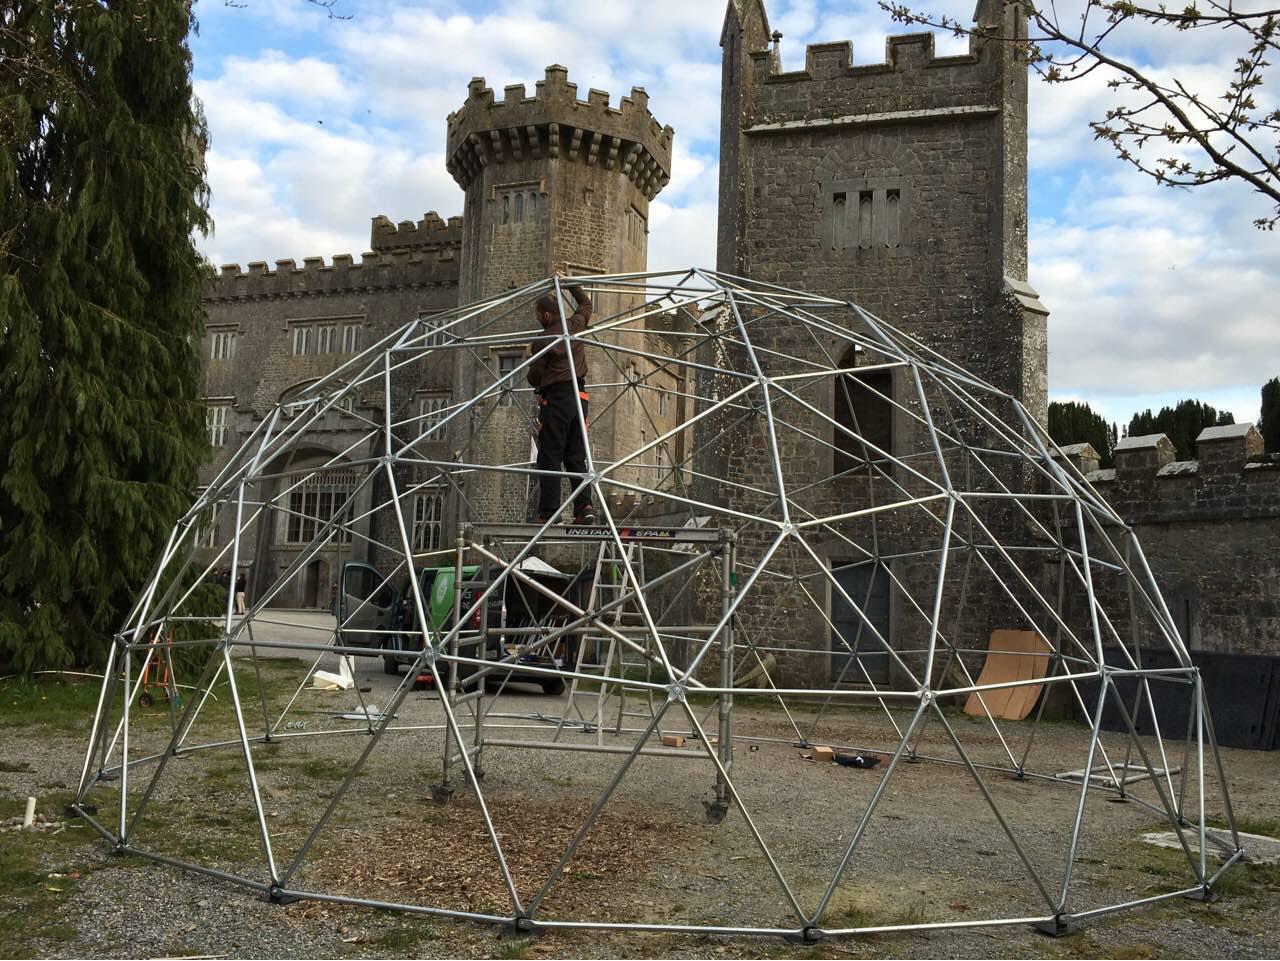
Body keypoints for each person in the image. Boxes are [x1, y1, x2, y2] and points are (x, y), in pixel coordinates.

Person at [527, 272, 595, 525]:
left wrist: (533, 366)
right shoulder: (575, 325)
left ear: (546, 315)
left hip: (556, 400)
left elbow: (535, 377)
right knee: (576, 457)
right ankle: (584, 508)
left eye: (538, 315)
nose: (538, 319)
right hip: (580, 398)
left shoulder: (543, 340)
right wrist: (570, 284)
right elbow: (586, 304)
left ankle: (549, 512)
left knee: (549, 457)